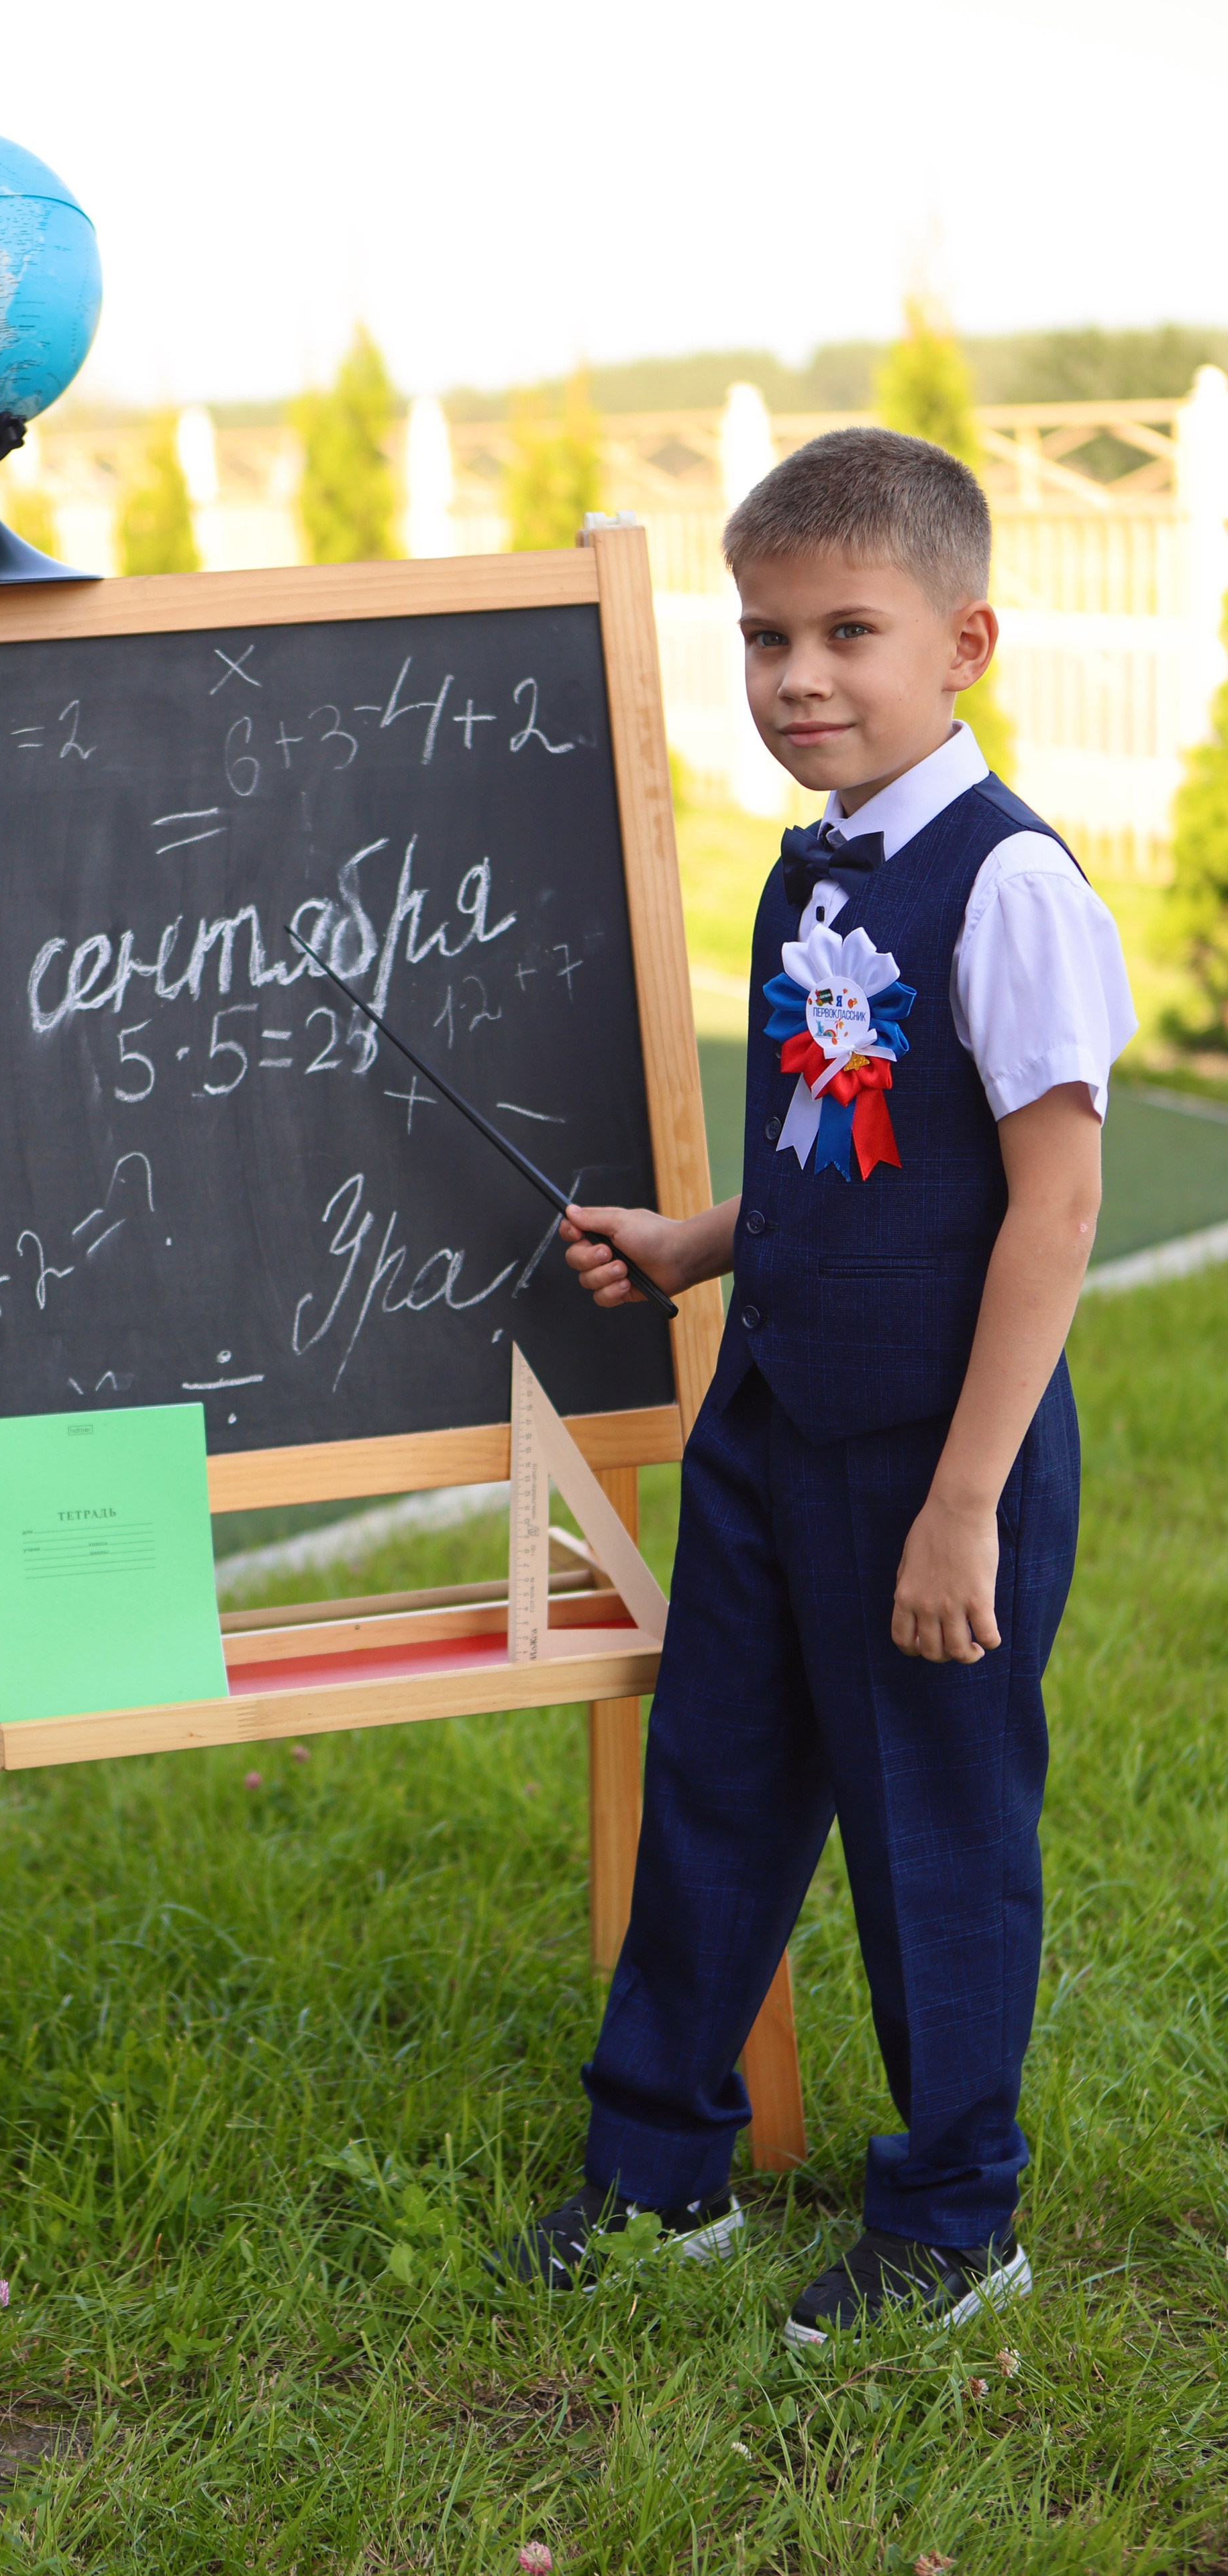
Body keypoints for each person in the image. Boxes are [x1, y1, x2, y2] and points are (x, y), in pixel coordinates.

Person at [505, 426, 1136, 2344]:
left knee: (932, 1830)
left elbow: (1052, 1208)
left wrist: (963, 1507)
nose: (797, 678)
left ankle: (954, 2224)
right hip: (773, 1420)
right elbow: (839, 1142)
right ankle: (661, 2172)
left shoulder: (1006, 887)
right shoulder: (818, 872)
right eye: (764, 637)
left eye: (847, 632)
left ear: (965, 641)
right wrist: (699, 1246)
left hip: (933, 1458)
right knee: (713, 1784)